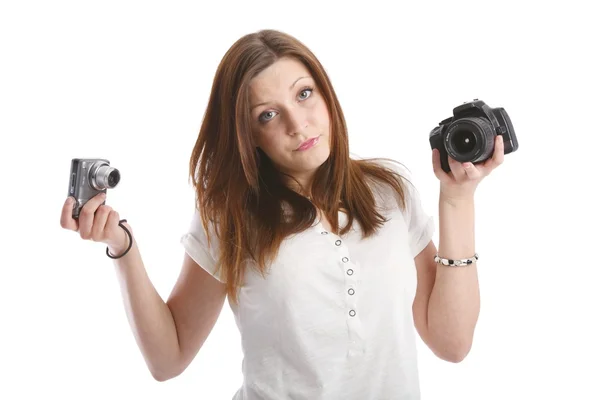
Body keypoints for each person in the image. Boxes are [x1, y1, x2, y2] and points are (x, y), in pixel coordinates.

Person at [60, 29, 505, 400]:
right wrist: (123, 248)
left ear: (326, 92)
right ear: (248, 134)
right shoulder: (229, 215)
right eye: (269, 115)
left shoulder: (389, 192)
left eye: (304, 94)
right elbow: (168, 358)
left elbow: (451, 343)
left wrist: (456, 200)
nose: (298, 124)